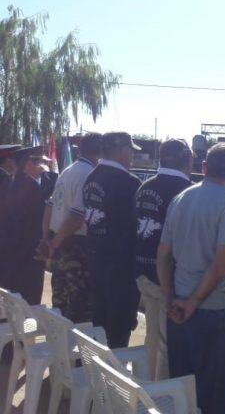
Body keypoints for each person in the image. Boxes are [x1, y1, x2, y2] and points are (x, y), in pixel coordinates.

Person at [157, 143, 225, 413]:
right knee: (216, 392)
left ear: (203, 168)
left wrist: (171, 297)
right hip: (215, 310)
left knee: (183, 388)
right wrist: (193, 302)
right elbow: (223, 263)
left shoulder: (181, 198)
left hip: (179, 308)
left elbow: (163, 254)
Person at [133, 139, 193, 379]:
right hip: (170, 281)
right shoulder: (187, 192)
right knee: (168, 345)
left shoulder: (144, 186)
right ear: (188, 161)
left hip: (143, 272)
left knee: (152, 338)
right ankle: (163, 398)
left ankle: (147, 387)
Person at [83, 132, 142, 347]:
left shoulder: (92, 176)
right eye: (130, 151)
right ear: (121, 151)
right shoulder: (129, 182)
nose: (132, 157)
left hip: (96, 260)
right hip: (121, 268)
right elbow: (135, 227)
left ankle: (96, 373)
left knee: (99, 322)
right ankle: (112, 377)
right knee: (119, 329)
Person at [44, 133, 102, 322]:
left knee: (60, 303)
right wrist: (57, 242)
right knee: (79, 306)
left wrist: (49, 239)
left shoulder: (67, 171)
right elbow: (77, 217)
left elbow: (50, 205)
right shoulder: (89, 174)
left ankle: (58, 348)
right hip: (74, 245)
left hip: (59, 242)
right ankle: (73, 351)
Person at [0, 146, 52, 304]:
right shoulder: (31, 186)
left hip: (13, 251)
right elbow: (40, 217)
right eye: (36, 161)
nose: (39, 166)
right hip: (28, 252)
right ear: (27, 164)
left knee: (12, 298)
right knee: (29, 300)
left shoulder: (13, 182)